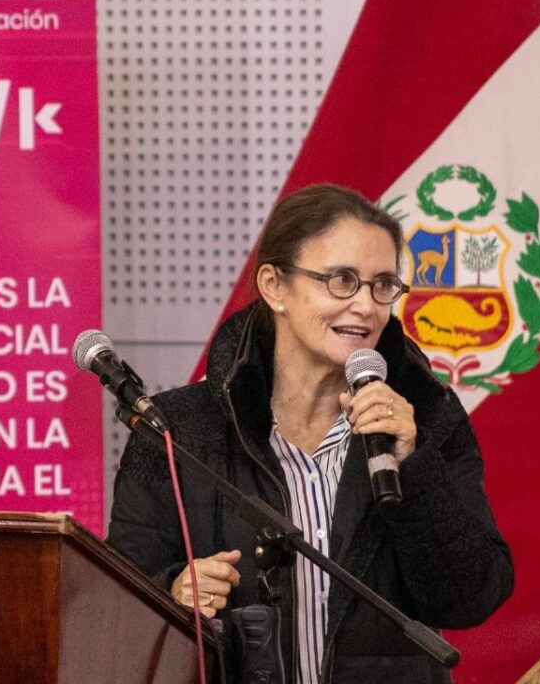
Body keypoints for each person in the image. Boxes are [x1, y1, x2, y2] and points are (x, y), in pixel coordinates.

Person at [108, 184, 512, 684]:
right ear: (275, 286)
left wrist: (414, 465)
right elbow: (116, 604)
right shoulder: (179, 429)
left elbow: (471, 597)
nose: (366, 306)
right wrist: (172, 590)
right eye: (342, 280)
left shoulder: (426, 417)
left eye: (383, 285)